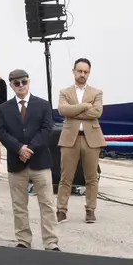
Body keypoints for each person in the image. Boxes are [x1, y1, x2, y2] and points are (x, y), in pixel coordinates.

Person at [0, 69, 58, 251]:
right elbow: (1, 132)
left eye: (24, 82)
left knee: (47, 203)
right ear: (11, 85)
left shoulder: (43, 105)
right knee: (19, 204)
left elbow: (47, 129)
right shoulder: (3, 108)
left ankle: (51, 242)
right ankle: (23, 240)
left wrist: (29, 148)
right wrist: (18, 149)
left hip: (39, 161)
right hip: (17, 164)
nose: (21, 86)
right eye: (17, 83)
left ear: (29, 82)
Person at [55, 59, 107, 224]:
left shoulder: (97, 92)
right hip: (70, 139)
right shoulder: (65, 92)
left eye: (85, 72)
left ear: (89, 73)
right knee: (65, 177)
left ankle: (90, 210)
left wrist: (74, 111)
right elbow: (63, 110)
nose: (82, 74)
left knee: (91, 178)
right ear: (74, 71)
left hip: (91, 140)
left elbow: (97, 112)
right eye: (80, 71)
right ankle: (61, 210)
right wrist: (85, 106)